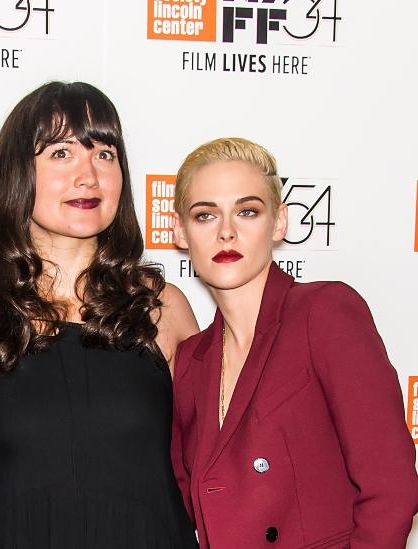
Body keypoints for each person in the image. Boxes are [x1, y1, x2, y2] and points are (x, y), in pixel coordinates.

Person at [0, 81, 199, 548]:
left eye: (104, 153)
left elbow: (207, 453)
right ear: (18, 173)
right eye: (62, 153)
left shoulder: (162, 308)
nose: (88, 175)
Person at [169, 137, 418, 548]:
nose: (227, 232)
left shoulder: (323, 312)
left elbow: (391, 489)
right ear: (180, 231)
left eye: (247, 211)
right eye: (205, 215)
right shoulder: (191, 361)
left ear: (280, 222)